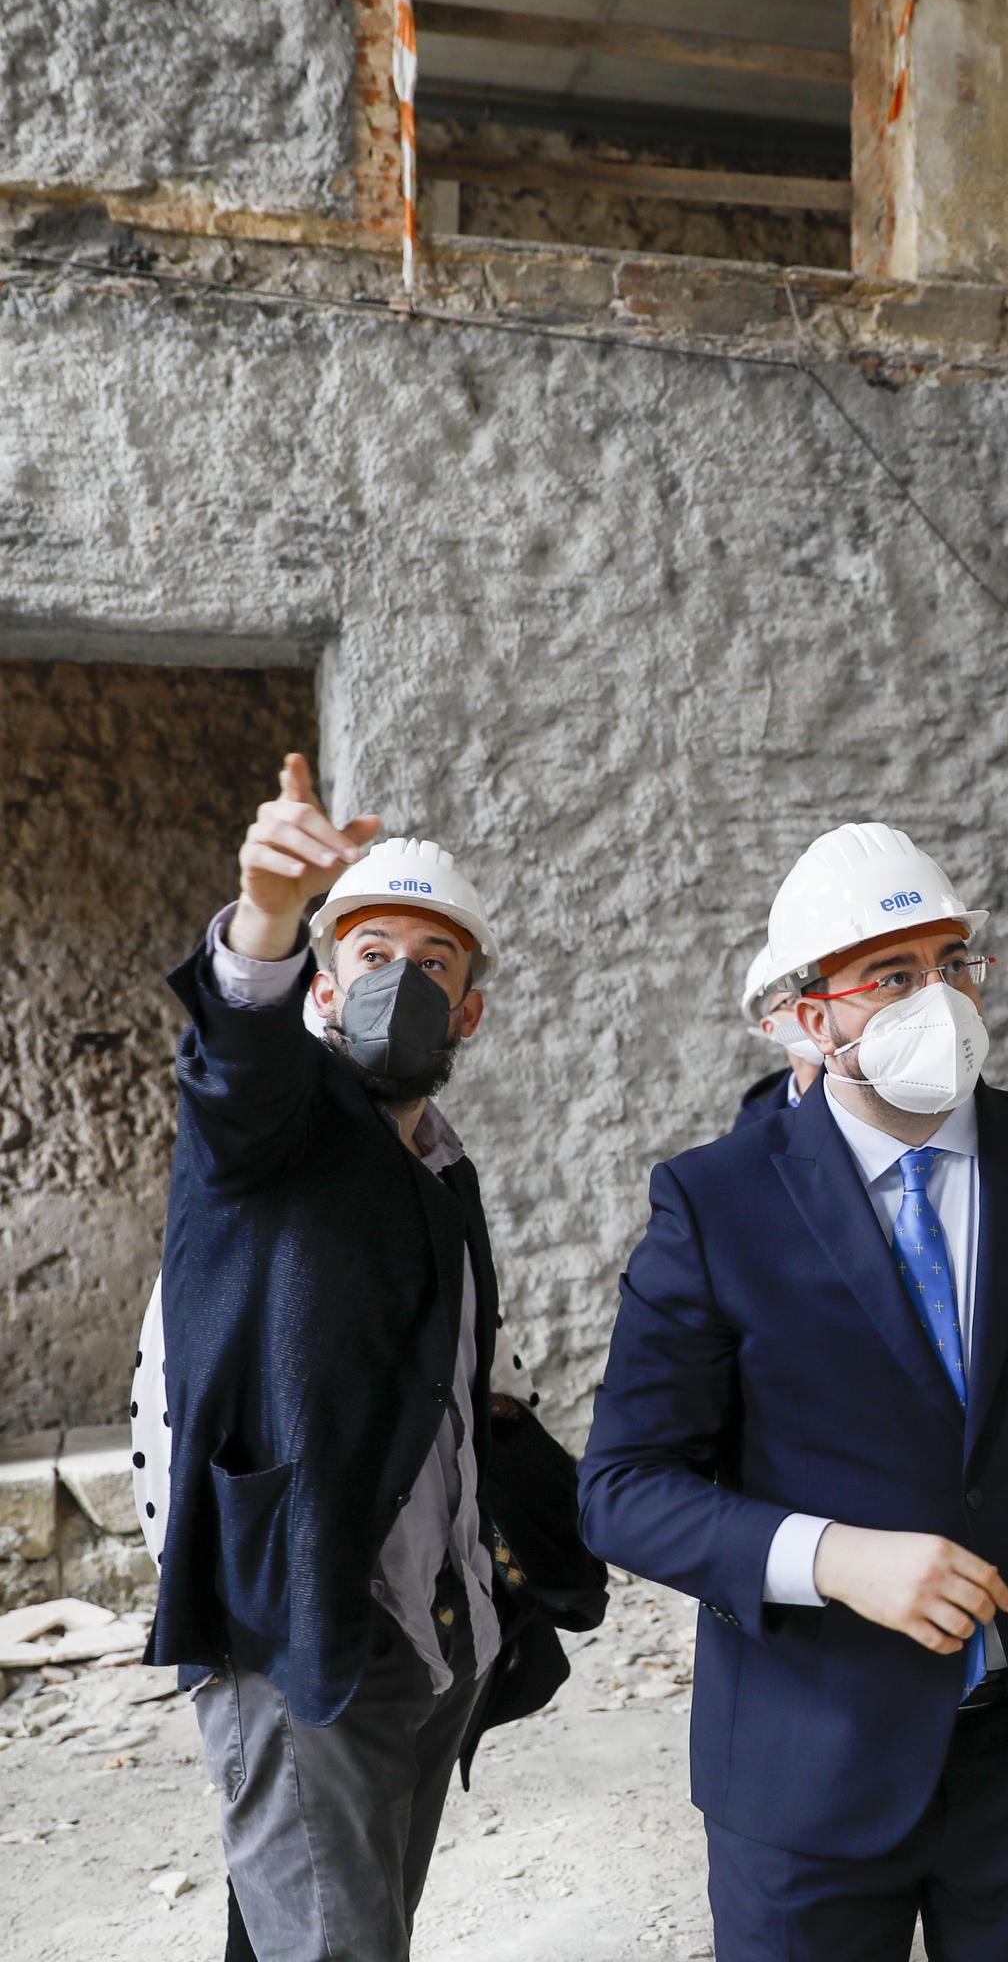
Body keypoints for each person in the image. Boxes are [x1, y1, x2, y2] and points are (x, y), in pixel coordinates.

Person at [580, 821, 1008, 1962]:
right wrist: (833, 1556)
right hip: (806, 1777)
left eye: (954, 965)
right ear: (806, 1016)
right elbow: (625, 1487)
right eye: (893, 975)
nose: (942, 1000)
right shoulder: (716, 1204)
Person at [138, 755, 603, 1962]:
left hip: (428, 1635)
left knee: (347, 1933)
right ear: (325, 991)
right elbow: (233, 1060)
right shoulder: (274, 1131)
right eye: (374, 955)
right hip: (300, 1632)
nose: (403, 979)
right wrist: (267, 912)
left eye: (435, 962)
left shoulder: (444, 1167)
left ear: (472, 1009)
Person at [734, 941, 823, 1128]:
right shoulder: (755, 1122)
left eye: (820, 991)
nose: (814, 1008)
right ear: (770, 1028)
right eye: (793, 1000)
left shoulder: (883, 1089)